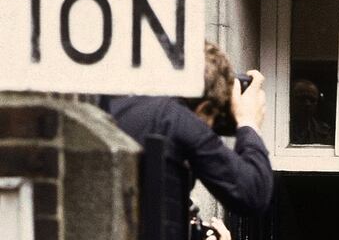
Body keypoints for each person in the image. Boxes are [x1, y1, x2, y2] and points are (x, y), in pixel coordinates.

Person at [103, 41, 273, 216]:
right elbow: (253, 194)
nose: (208, 130)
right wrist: (248, 122)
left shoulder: (117, 108)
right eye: (211, 121)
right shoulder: (176, 118)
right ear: (204, 109)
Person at [290, 78, 334, 145]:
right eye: (301, 98)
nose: (307, 104)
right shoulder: (276, 129)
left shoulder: (324, 131)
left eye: (312, 100)